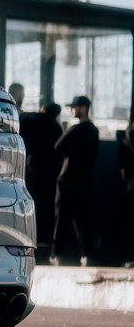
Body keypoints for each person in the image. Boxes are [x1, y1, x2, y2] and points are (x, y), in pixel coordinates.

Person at [51, 96, 99, 266]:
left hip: (68, 178)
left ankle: (56, 254)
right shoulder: (94, 130)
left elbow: (58, 147)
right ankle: (85, 255)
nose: (72, 110)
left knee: (62, 216)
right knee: (82, 219)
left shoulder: (75, 129)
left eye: (74, 107)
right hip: (84, 180)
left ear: (83, 108)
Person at [26, 100, 63, 248]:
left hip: (33, 166)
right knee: (46, 202)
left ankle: (30, 232)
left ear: (43, 108)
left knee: (31, 199)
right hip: (50, 170)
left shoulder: (32, 120)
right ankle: (43, 233)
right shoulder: (56, 127)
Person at [119, 114, 134, 269]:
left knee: (130, 223)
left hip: (130, 186)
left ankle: (131, 256)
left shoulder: (125, 140)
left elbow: (122, 169)